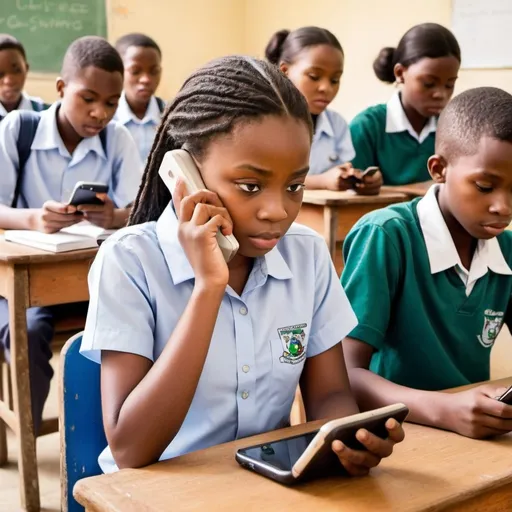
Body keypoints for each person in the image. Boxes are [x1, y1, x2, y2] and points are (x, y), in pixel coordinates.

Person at [80, 55, 404, 474]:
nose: (278, 211)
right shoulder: (129, 260)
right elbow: (131, 450)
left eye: (295, 186)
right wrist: (208, 288)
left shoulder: (305, 253)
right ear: (185, 175)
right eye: (250, 186)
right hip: (156, 493)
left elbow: (328, 397)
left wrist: (343, 441)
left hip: (266, 485)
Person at [342, 87, 512, 439]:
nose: (504, 207)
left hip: (469, 438)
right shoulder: (387, 236)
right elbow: (344, 372)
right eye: (484, 185)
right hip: (389, 436)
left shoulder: (506, 250)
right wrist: (444, 409)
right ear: (439, 169)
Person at [0, 36, 142, 433]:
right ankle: (29, 432)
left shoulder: (119, 139)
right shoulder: (19, 130)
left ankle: (106, 429)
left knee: (139, 322)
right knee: (26, 330)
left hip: (93, 277)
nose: (100, 113)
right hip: (26, 280)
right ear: (61, 89)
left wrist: (113, 216)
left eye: (112, 103)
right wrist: (34, 220)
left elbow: (140, 211)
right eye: (88, 98)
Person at [265, 27, 382, 194]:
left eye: (335, 80)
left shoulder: (337, 125)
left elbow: (342, 175)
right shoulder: (264, 122)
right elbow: (264, 182)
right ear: (285, 71)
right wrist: (322, 181)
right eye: (314, 76)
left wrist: (359, 181)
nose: (326, 88)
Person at [350, 23, 461, 186]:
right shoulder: (366, 127)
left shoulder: (455, 129)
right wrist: (418, 189)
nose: (441, 94)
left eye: (449, 85)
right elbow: (349, 197)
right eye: (429, 83)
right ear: (400, 73)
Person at [114, 33, 164, 163]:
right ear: (119, 71)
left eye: (154, 71)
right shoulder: (106, 121)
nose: (146, 79)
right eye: (135, 71)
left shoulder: (171, 118)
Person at [0, 33, 49, 120]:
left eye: (16, 71)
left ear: (26, 69)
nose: (9, 81)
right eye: (0, 74)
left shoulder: (46, 114)